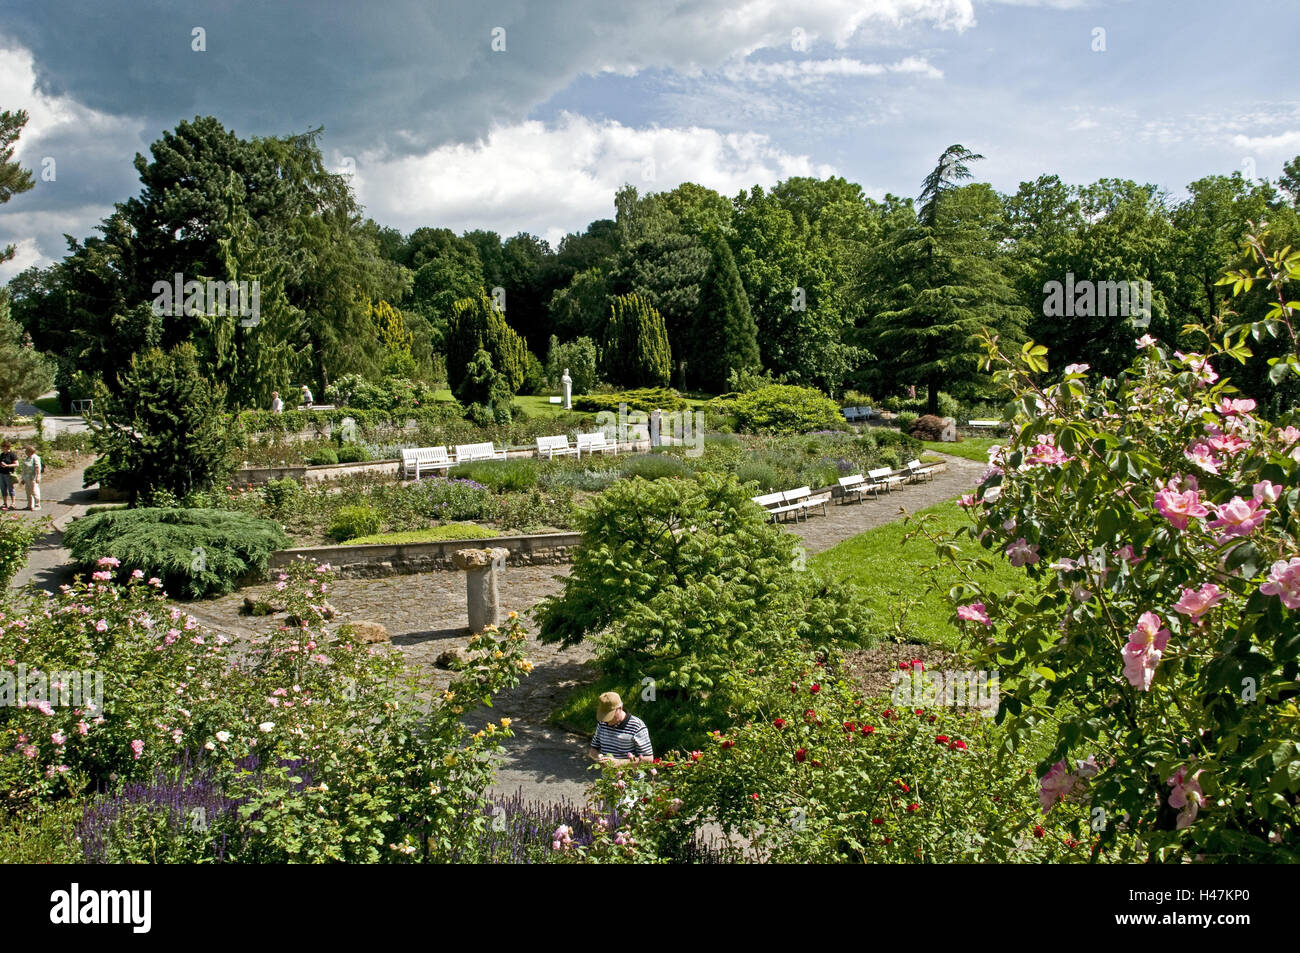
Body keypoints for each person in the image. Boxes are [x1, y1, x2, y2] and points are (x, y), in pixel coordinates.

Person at [588, 692, 653, 764]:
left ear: (620, 708)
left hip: (630, 775)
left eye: (610, 716)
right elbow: (593, 750)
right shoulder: (602, 723)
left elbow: (649, 759)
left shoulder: (637, 726)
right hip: (608, 775)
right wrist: (598, 758)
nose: (607, 721)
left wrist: (619, 763)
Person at [20, 445, 42, 511]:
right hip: (27, 477)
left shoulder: (35, 458)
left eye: (26, 451)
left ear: (30, 451)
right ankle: (29, 505)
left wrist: (37, 477)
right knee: (28, 492)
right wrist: (23, 478)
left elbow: (38, 468)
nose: (25, 452)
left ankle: (37, 505)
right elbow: (24, 469)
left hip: (33, 478)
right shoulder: (27, 458)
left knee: (34, 491)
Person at [0, 441, 17, 510]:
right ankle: (5, 503)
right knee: (3, 489)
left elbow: (16, 464)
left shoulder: (12, 455)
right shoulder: (2, 455)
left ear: (7, 447)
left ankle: (13, 503)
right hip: (1, 474)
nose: (3, 449)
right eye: (2, 448)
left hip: (9, 474)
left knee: (11, 489)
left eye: (4, 448)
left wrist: (7, 465)